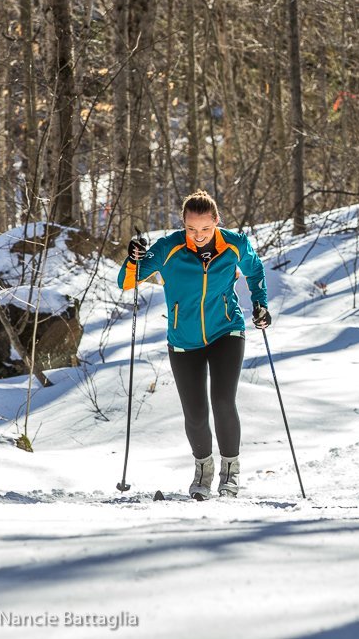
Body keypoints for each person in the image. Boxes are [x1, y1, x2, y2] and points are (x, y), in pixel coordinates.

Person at [117, 191, 271, 499]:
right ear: (183, 225)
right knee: (196, 414)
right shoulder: (168, 248)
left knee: (223, 402)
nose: (198, 236)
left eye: (204, 228)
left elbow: (255, 271)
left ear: (216, 221)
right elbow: (127, 281)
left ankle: (230, 472)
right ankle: (204, 470)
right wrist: (133, 258)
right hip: (184, 340)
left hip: (226, 330)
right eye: (191, 229)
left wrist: (260, 304)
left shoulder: (234, 245)